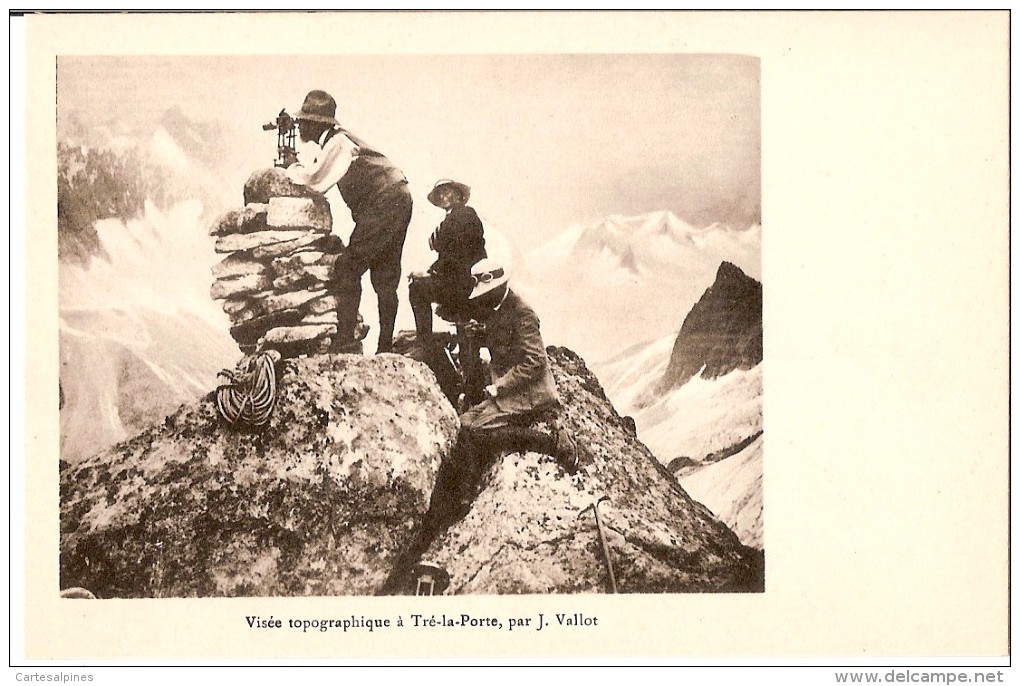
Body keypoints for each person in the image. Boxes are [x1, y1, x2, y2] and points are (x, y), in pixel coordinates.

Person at [285, 89, 412, 354]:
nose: (299, 127)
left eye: (302, 122)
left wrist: (290, 168)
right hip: (397, 198)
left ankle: (345, 340)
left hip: (383, 202)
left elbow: (317, 180)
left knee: (347, 266)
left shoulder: (338, 143)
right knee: (385, 274)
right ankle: (384, 347)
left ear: (313, 123)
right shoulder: (339, 140)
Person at [455, 258, 579, 476]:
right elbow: (506, 344)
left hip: (531, 395)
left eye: (487, 291)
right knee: (463, 423)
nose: (483, 296)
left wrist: (500, 386)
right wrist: (481, 335)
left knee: (476, 432)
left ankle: (553, 443)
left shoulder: (523, 313)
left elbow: (534, 361)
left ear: (500, 286)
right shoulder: (499, 307)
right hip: (513, 393)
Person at [408, 179, 487, 350]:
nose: (443, 196)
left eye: (447, 191)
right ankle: (470, 373)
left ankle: (425, 343)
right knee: (466, 335)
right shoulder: (454, 217)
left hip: (463, 283)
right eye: (440, 194)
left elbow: (458, 254)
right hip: (467, 283)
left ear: (458, 195)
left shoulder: (463, 215)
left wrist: (431, 273)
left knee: (417, 289)